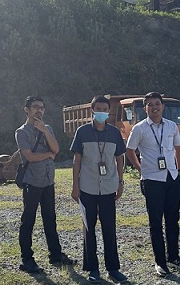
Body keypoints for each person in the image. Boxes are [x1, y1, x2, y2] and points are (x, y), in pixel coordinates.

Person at [125, 91, 180, 277]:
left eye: (157, 104)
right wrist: (140, 169)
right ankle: (160, 262)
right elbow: (129, 150)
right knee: (155, 222)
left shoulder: (171, 126)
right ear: (145, 108)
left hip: (171, 177)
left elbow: (178, 147)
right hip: (152, 180)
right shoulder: (139, 128)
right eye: (150, 105)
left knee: (173, 220)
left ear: (162, 106)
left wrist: (179, 170)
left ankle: (174, 257)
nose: (154, 107)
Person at [11, 95, 74, 273]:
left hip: (47, 181)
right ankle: (27, 259)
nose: (39, 110)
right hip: (32, 181)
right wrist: (48, 155)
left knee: (50, 219)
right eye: (36, 107)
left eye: (42, 107)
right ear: (27, 110)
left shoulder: (48, 129)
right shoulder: (21, 132)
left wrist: (45, 131)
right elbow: (29, 156)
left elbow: (56, 149)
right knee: (28, 220)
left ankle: (55, 255)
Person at [70, 95, 128, 284]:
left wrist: (120, 182)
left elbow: (119, 159)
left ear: (108, 111)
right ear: (92, 111)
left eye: (105, 109)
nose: (102, 112)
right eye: (98, 109)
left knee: (109, 229)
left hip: (109, 187)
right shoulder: (82, 132)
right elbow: (77, 160)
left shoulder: (114, 133)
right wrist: (75, 186)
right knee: (89, 229)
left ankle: (113, 269)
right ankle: (93, 268)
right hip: (87, 187)